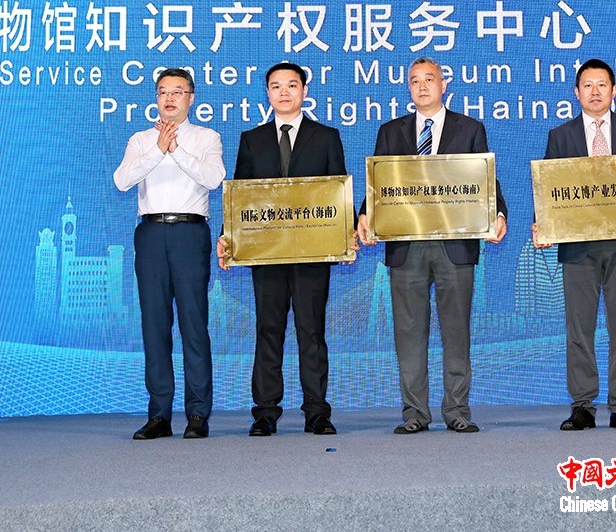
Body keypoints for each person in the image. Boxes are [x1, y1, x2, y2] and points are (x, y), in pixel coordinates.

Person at [357, 57, 508, 434]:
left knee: (456, 331)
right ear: (408, 88)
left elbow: (484, 179)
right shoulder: (390, 131)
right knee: (408, 334)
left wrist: (498, 213)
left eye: (429, 79)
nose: (422, 86)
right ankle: (415, 413)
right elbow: (379, 183)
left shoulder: (469, 128)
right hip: (406, 246)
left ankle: (457, 410)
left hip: (454, 246)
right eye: (414, 81)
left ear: (444, 85)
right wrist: (365, 215)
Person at [532, 58, 616, 431]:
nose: (595, 92)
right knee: (579, 328)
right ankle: (582, 406)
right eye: (588, 86)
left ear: (614, 91)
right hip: (579, 246)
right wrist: (543, 224)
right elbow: (551, 186)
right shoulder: (560, 136)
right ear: (576, 93)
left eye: (602, 85)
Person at [217, 63, 351, 436]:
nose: (284, 92)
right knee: (268, 330)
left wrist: (345, 237)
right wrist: (229, 236)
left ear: (304, 91)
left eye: (292, 85)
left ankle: (317, 412)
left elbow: (337, 192)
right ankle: (265, 412)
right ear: (268, 93)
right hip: (267, 252)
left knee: (312, 331)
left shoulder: (326, 137)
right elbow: (241, 196)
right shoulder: (252, 139)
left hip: (313, 253)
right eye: (276, 86)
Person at [114, 68, 224, 440]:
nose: (169, 98)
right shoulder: (141, 139)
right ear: (156, 98)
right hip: (150, 233)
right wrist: (157, 150)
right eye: (163, 91)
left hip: (190, 233)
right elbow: (122, 180)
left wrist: (175, 150)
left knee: (194, 323)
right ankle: (159, 415)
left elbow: (213, 178)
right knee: (154, 325)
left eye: (177, 91)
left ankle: (198, 414)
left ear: (191, 98)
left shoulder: (207, 137)